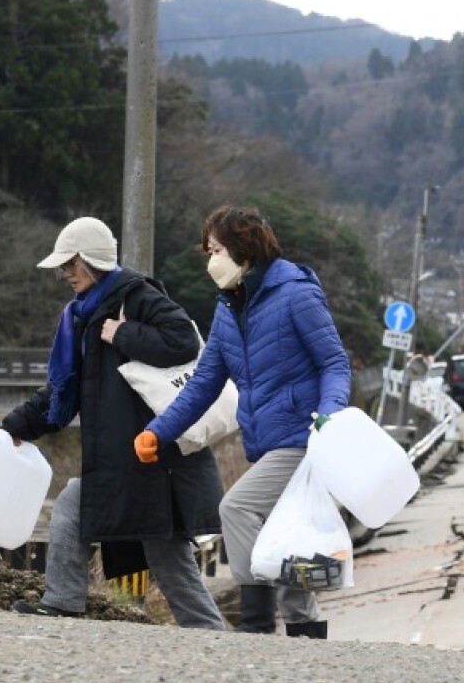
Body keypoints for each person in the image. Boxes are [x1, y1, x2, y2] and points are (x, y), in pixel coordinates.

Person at [133, 205, 350, 639]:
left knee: (237, 507)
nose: (210, 259)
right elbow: (203, 384)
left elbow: (335, 363)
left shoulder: (295, 293)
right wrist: (159, 430)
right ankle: (308, 637)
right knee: (287, 545)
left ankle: (255, 625)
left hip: (303, 437)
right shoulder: (229, 309)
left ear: (243, 249)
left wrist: (329, 415)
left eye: (215, 249)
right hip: (268, 443)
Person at [3, 216, 227, 630]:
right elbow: (62, 391)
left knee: (163, 554)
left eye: (70, 264)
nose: (65, 274)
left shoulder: (135, 296)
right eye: (63, 267)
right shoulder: (82, 316)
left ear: (91, 261)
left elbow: (183, 340)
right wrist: (15, 425)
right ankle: (65, 601)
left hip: (157, 460)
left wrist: (123, 333)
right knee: (90, 512)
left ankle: (208, 633)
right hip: (129, 461)